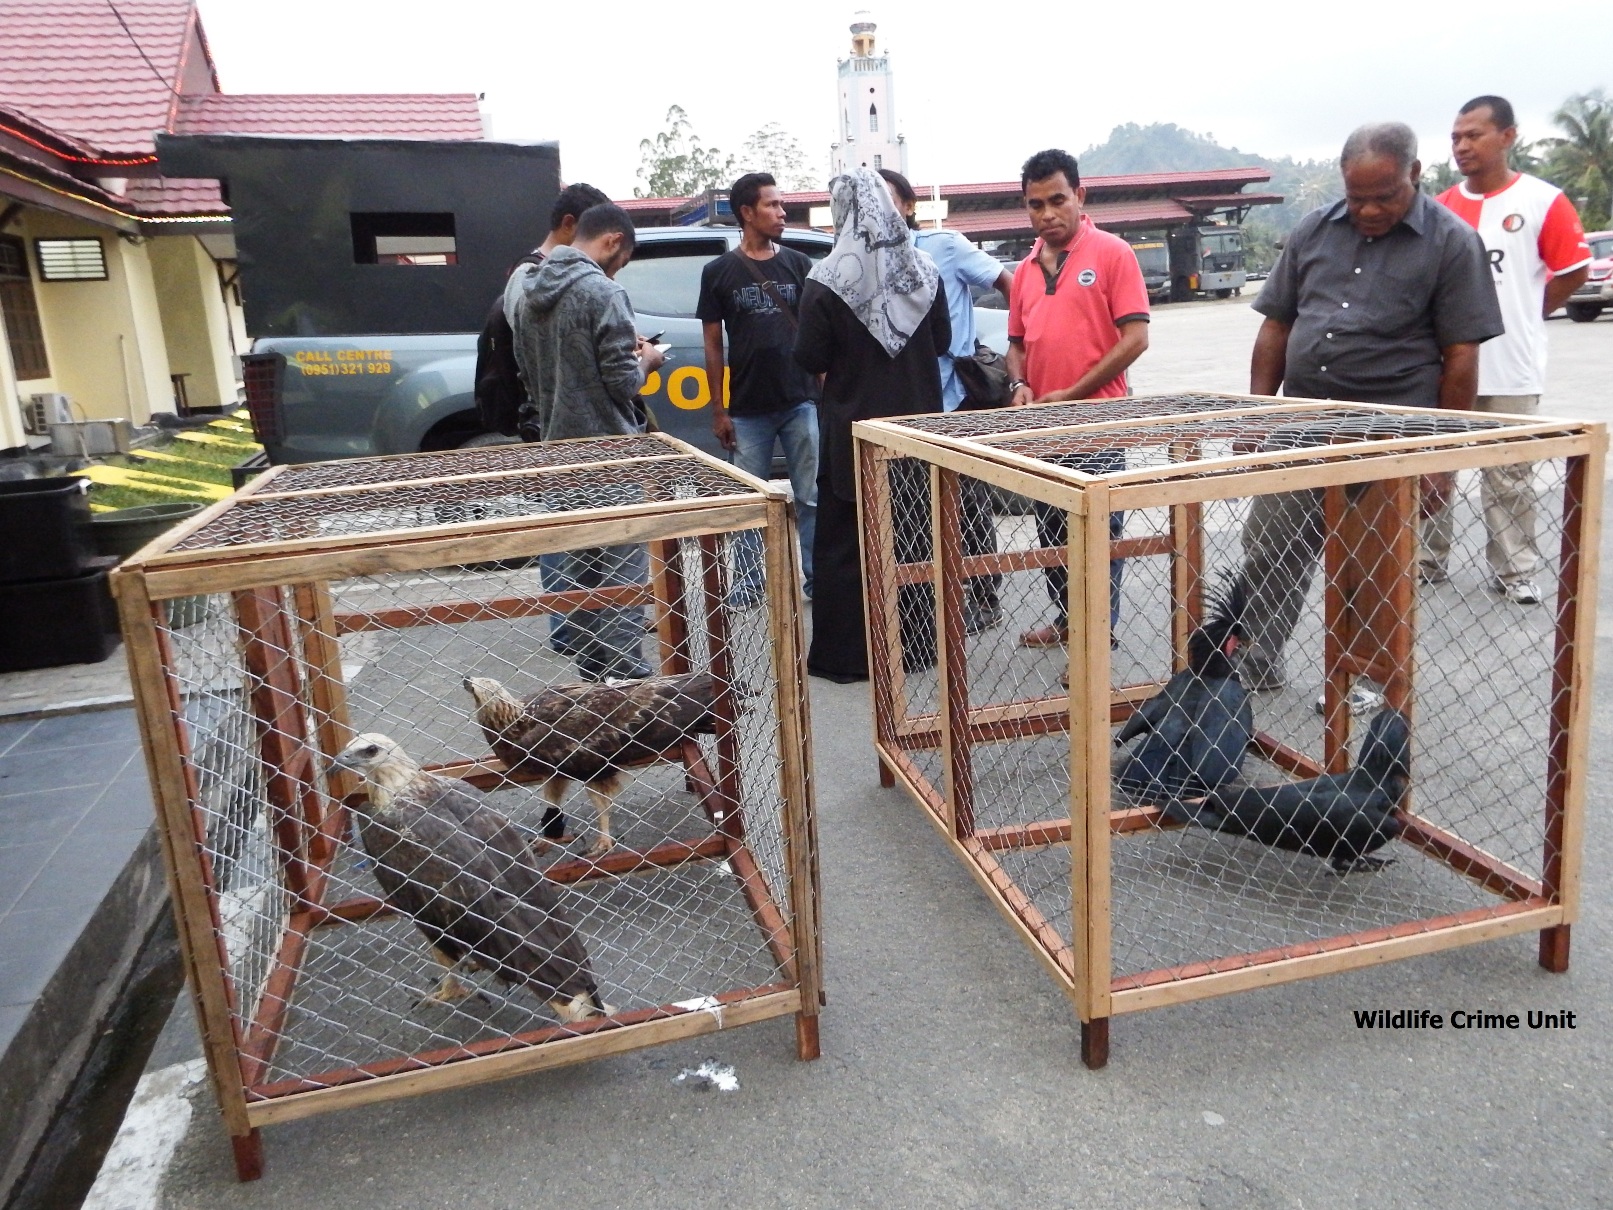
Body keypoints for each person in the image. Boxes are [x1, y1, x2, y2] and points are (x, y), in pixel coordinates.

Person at [1234, 122, 1503, 709]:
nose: (1370, 209)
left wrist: (1443, 458)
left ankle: (1372, 678)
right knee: (1270, 545)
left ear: (1415, 174)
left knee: (1372, 566)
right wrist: (1257, 414)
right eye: (1357, 198)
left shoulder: (1452, 243)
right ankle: (1255, 657)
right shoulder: (1313, 231)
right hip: (1302, 426)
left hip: (1392, 432)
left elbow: (1461, 358)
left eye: (1384, 196)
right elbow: (1276, 325)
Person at [1425, 95, 1592, 605]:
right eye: (1456, 136)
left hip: (1512, 368)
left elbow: (1572, 272)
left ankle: (1515, 570)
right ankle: (1426, 561)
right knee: (1432, 467)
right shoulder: (1441, 208)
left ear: (1508, 137)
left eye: (1474, 134)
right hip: (1446, 369)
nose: (1462, 145)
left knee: (1510, 476)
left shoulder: (1544, 200)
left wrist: (1523, 314)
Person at [793, 168, 951, 683]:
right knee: (913, 535)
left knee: (846, 545)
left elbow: (809, 355)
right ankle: (918, 647)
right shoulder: (923, 271)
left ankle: (849, 657)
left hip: (852, 433)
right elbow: (944, 341)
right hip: (918, 430)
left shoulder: (827, 279)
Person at [513, 203, 666, 681]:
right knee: (622, 569)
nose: (619, 268)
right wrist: (649, 359)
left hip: (557, 452)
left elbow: (529, 374)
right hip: (610, 455)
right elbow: (622, 383)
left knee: (580, 572)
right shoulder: (605, 292)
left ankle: (594, 672)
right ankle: (626, 677)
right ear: (613, 241)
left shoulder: (526, 292)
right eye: (622, 258)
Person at [1006, 149, 1150, 651]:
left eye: (1057, 200)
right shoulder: (1024, 268)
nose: (1047, 214)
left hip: (1099, 424)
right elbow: (1017, 343)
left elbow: (1135, 339)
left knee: (1098, 538)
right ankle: (1068, 621)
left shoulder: (1113, 254)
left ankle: (1095, 640)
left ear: (1080, 196)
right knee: (1051, 533)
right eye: (1035, 204)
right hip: (1043, 430)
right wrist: (1018, 385)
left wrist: (1073, 393)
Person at [880, 167, 1016, 635]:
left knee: (968, 498)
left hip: (955, 393)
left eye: (890, 198)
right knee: (918, 500)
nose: (882, 208)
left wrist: (1023, 343)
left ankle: (983, 595)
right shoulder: (873, 261)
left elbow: (1010, 284)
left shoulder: (946, 247)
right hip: (907, 398)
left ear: (910, 205)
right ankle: (932, 593)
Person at [697, 172, 820, 607]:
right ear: (746, 213)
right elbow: (713, 344)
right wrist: (718, 409)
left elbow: (815, 332)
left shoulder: (799, 264)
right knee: (751, 501)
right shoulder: (718, 272)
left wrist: (825, 393)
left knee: (810, 495)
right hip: (747, 409)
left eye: (781, 204)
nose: (782, 212)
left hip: (800, 401)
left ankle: (816, 581)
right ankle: (749, 587)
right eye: (771, 205)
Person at [489, 182, 611, 441]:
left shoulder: (572, 275)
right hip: (553, 419)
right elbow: (538, 348)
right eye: (592, 232)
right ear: (568, 224)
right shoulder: (526, 276)